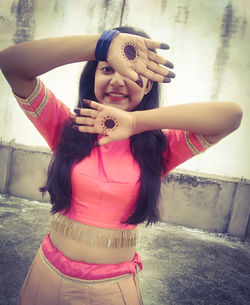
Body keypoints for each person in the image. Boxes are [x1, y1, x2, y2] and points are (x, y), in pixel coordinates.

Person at [0, 26, 242, 305]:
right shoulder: (66, 127)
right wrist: (103, 45)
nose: (117, 80)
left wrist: (137, 123)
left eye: (132, 73)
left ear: (148, 85)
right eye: (107, 69)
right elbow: (11, 63)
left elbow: (231, 116)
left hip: (110, 290)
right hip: (45, 277)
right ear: (93, 78)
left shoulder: (158, 147)